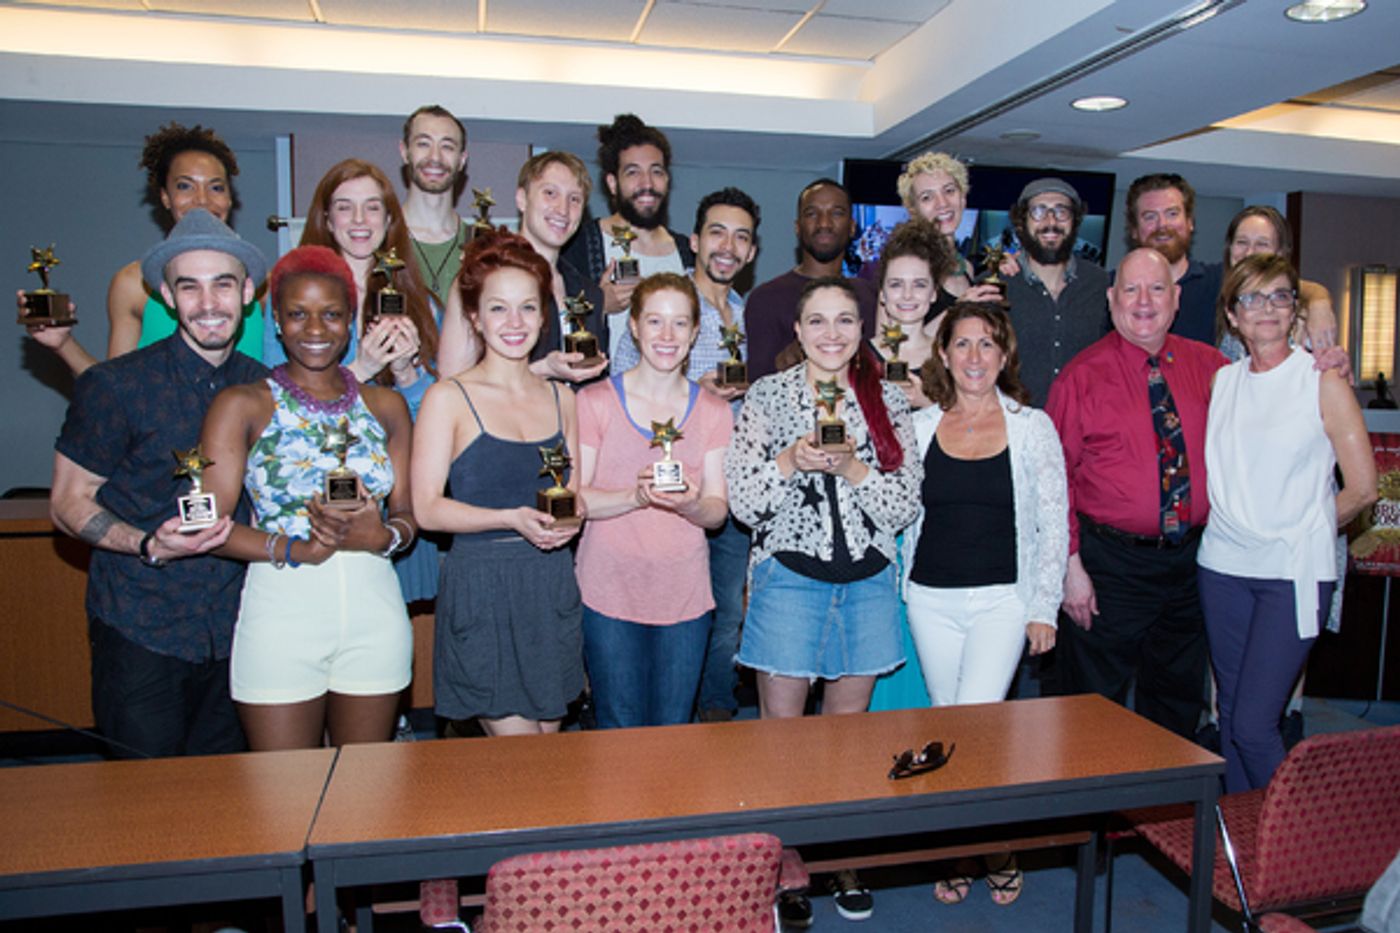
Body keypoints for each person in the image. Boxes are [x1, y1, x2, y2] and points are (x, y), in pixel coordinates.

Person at [726, 277, 921, 922]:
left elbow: (902, 505)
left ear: (861, 329)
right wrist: (790, 461)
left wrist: (851, 468)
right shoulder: (767, 397)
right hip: (788, 579)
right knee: (780, 738)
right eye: (818, 321)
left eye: (844, 321)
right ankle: (780, 864)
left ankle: (841, 861)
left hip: (867, 582)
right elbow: (746, 502)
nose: (831, 333)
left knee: (846, 740)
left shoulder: (888, 400)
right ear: (799, 330)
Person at [49, 208, 267, 758]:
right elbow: (68, 502)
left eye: (223, 284)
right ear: (167, 299)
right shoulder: (114, 387)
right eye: (189, 287)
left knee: (230, 801)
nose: (209, 303)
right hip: (142, 627)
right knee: (141, 805)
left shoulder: (263, 387)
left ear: (246, 293)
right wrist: (147, 544)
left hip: (240, 627)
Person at [198, 245, 415, 750]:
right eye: (298, 314)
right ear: (276, 319)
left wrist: (381, 536)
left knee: (366, 792)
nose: (316, 330)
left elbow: (407, 516)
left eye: (332, 314)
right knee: (284, 799)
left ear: (351, 321)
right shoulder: (242, 404)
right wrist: (298, 550)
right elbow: (208, 525)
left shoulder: (386, 406)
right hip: (281, 616)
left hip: (375, 615)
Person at [901, 302, 1068, 906]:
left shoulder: (1033, 427)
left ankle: (987, 849)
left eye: (988, 345)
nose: (975, 357)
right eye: (963, 344)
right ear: (942, 354)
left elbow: (1054, 523)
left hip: (1004, 600)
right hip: (928, 599)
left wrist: (1043, 607)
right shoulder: (917, 428)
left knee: (971, 721)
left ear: (1005, 357)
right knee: (949, 723)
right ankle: (974, 847)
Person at [1198, 254, 1375, 792]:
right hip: (1222, 568)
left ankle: (1298, 849)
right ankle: (1242, 859)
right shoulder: (1222, 382)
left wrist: (1309, 527)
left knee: (1254, 726)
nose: (1266, 309)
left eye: (1279, 296)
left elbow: (1364, 487)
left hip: (1292, 575)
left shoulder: (1321, 380)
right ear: (1233, 315)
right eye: (1251, 298)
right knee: (1231, 718)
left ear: (1295, 309)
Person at [1046, 248, 1225, 738]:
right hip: (1109, 569)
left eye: (1157, 288)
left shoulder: (1214, 369)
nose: (1143, 301)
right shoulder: (1080, 377)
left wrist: (1322, 366)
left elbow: (1274, 405)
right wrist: (1070, 568)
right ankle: (1087, 815)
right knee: (1089, 710)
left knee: (1176, 703)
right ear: (1111, 298)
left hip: (1191, 565)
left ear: (1176, 297)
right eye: (1130, 289)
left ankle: (1161, 813)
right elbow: (1053, 481)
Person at [412, 229, 585, 737]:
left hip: (549, 584)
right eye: (498, 309)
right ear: (474, 317)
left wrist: (573, 521)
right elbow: (426, 509)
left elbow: (572, 495)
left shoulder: (562, 398)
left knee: (547, 761)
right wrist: (508, 518)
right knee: (520, 758)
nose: (515, 323)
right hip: (482, 587)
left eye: (528, 308)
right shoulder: (448, 398)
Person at [614, 187, 761, 723]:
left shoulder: (749, 313)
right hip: (665, 486)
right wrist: (689, 392)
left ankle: (713, 724)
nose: (729, 245)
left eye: (742, 237)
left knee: (727, 619)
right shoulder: (666, 308)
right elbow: (626, 392)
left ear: (750, 252)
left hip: (729, 487)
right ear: (695, 240)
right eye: (718, 232)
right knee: (658, 619)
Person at [575, 273, 731, 727]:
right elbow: (578, 498)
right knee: (618, 724)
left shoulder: (715, 411)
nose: (667, 336)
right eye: (655, 322)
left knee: (673, 729)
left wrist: (687, 504)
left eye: (680, 324)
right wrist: (637, 496)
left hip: (684, 596)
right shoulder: (595, 401)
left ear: (695, 332)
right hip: (608, 591)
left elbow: (717, 510)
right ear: (635, 327)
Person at [294, 158, 444, 603]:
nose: (360, 221)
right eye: (345, 207)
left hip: (391, 507)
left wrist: (405, 373)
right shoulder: (291, 298)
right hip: (313, 507)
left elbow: (430, 427)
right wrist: (356, 371)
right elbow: (276, 409)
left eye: (372, 208)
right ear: (326, 219)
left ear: (389, 219)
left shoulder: (420, 304)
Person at [26, 122, 265, 372]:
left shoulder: (263, 286)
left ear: (229, 198)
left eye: (216, 187)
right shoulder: (132, 283)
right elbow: (113, 392)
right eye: (185, 186)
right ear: (165, 196)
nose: (202, 199)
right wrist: (63, 344)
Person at [562, 113, 694, 356]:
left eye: (656, 171)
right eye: (633, 172)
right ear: (612, 183)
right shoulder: (577, 245)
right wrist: (598, 306)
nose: (647, 183)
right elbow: (547, 329)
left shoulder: (688, 253)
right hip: (598, 390)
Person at [745, 179, 878, 381]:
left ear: (852, 227)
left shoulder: (871, 296)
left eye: (836, 213)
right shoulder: (765, 299)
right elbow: (755, 389)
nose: (824, 223)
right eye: (812, 214)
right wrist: (783, 367)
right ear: (797, 227)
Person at [1002, 178, 1110, 406]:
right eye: (1039, 211)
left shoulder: (1100, 283)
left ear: (1075, 221)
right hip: (1014, 428)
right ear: (1021, 222)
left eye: (1061, 211)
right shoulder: (996, 285)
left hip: (1082, 430)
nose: (1051, 221)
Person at [512, 150, 611, 383]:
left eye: (574, 199)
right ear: (522, 199)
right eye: (550, 193)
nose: (563, 210)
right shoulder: (488, 276)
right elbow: (462, 383)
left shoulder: (589, 293)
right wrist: (543, 369)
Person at [1217, 205, 1337, 359]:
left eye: (1262, 244)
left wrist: (1319, 303)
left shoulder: (1298, 321)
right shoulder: (1224, 293)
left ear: (1281, 253)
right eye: (1242, 242)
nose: (1249, 252)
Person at [893, 151, 1003, 316]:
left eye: (949, 191)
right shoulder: (905, 265)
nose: (942, 203)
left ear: (963, 198)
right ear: (913, 210)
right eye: (927, 197)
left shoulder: (967, 267)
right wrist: (960, 309)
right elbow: (895, 337)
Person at [868, 219, 958, 411]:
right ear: (882, 294)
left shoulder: (951, 358)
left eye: (919, 284)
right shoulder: (859, 357)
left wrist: (927, 404)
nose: (907, 295)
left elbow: (967, 428)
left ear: (934, 292)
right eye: (896, 284)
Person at [399, 104, 471, 304]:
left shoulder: (482, 245)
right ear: (405, 152)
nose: (435, 157)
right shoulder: (378, 239)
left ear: (462, 159)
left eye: (447, 146)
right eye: (423, 144)